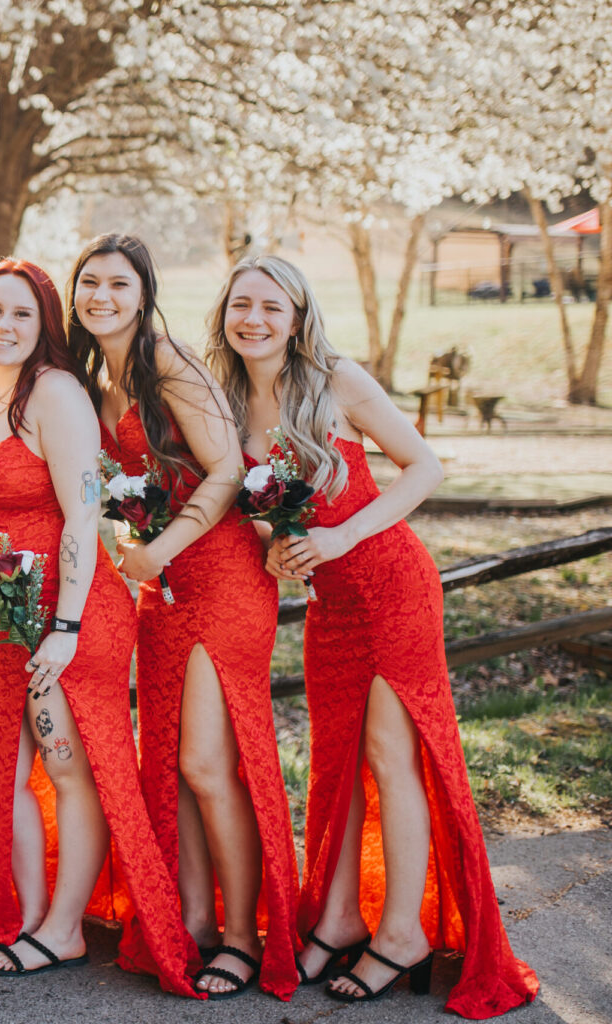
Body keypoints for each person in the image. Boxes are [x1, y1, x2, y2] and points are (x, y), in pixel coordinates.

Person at [205, 255, 539, 1016]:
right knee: (339, 760)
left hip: (390, 587)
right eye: (241, 305)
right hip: (331, 604)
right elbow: (255, 506)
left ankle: (401, 936)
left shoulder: (337, 381)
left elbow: (425, 467)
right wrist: (276, 543)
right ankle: (338, 916)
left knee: (392, 757)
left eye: (271, 306)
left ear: (297, 317)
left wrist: (340, 537)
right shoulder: (225, 400)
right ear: (225, 313)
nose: (253, 319)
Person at [0, 258, 196, 996]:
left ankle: (62, 932)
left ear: (46, 326)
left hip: (68, 610)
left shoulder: (56, 394)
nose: (5, 326)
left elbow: (82, 516)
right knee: (6, 773)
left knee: (67, 764)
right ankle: (29, 915)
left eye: (23, 314)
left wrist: (64, 624)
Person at [72, 234, 298, 999]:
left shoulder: (166, 362)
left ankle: (244, 935)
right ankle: (195, 921)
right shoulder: (94, 373)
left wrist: (160, 544)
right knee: (170, 766)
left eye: (118, 284)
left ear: (145, 294)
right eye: (89, 283)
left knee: (207, 762)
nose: (101, 296)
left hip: (221, 572)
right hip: (158, 584)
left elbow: (230, 467)